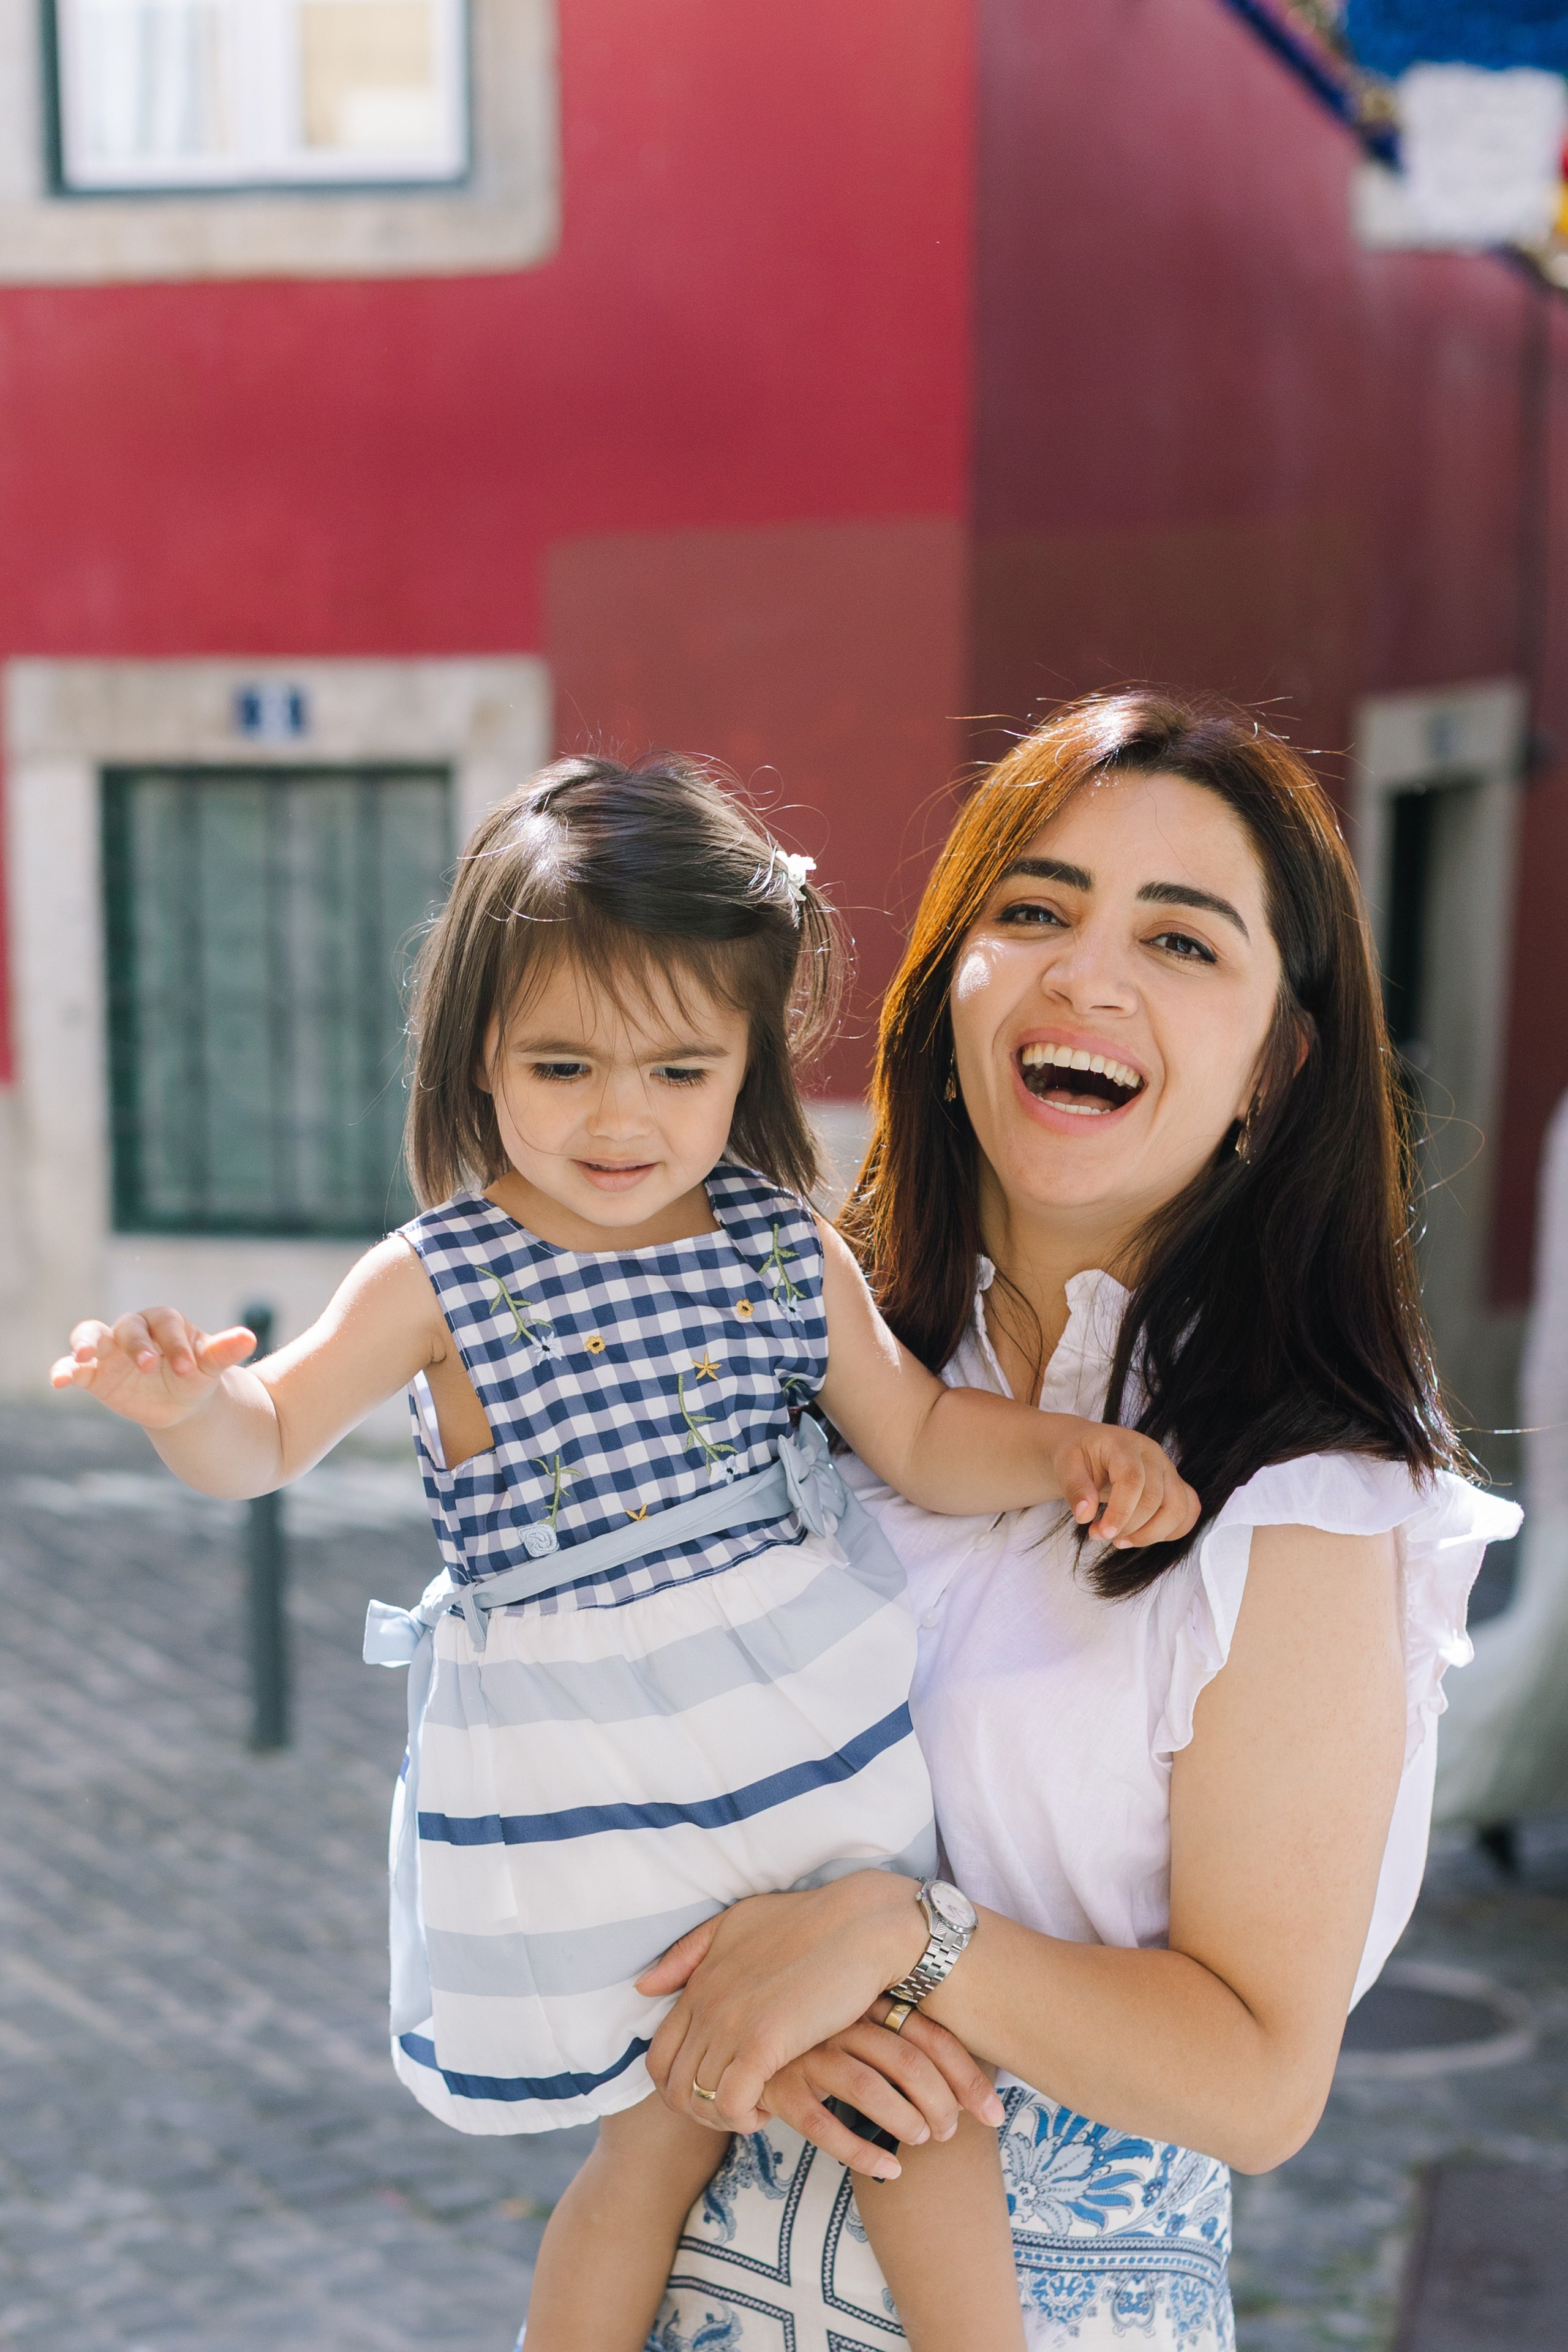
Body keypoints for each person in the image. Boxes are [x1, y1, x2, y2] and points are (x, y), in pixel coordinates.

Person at [50, 755, 1199, 2352]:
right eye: (563, 1063)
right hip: (580, 1786)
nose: (617, 1116)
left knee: (911, 2098)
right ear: (478, 1058)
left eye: (677, 1069)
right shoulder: (437, 1274)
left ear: (746, 1062)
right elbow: (264, 1440)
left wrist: (1073, 1454)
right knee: (647, 2140)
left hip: (800, 1759)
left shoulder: (777, 1251)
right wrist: (184, 1401)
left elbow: (925, 1437)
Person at [633, 693, 1523, 2352]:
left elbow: (1257, 2080)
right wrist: (759, 2005)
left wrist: (898, 1941)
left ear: (1281, 1063)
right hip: (693, 2276)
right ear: (951, 992)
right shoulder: (782, 1373)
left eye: (1182, 943)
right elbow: (569, 1765)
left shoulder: (1310, 1504)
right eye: (1032, 912)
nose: (1087, 976)